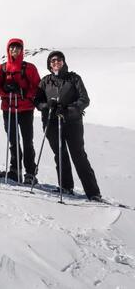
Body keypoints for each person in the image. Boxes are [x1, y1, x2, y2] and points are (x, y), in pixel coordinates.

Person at [34, 51, 102, 201]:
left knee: (78, 155)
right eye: (52, 61)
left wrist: (67, 109)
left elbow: (84, 99)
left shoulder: (74, 78)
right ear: (49, 64)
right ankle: (66, 186)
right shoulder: (45, 81)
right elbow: (37, 101)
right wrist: (47, 106)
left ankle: (93, 192)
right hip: (51, 122)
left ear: (63, 62)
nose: (56, 62)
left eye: (59, 60)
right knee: (60, 154)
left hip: (72, 122)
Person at [0, 38, 41, 184]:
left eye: (17, 48)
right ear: (8, 50)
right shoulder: (1, 69)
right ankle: (15, 170)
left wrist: (22, 92)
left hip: (26, 109)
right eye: (12, 48)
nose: (14, 50)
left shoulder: (29, 68)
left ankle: (30, 172)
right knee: (13, 141)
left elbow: (37, 88)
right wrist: (5, 91)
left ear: (21, 50)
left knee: (27, 141)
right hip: (9, 109)